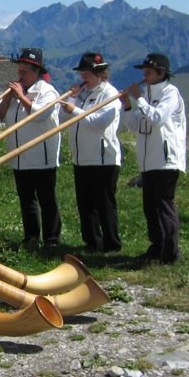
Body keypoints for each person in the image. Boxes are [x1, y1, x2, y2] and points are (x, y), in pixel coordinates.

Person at [121, 52, 187, 265]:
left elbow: (157, 118)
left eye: (148, 72)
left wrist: (138, 97)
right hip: (147, 161)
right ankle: (156, 247)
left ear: (161, 73)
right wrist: (127, 105)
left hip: (165, 160)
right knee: (150, 207)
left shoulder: (170, 93)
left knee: (164, 206)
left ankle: (171, 253)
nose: (144, 75)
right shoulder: (148, 95)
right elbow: (134, 127)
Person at [0, 47, 62, 250]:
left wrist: (22, 97)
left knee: (46, 199)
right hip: (19, 155)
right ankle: (31, 236)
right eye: (19, 71)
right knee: (27, 200)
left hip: (41, 156)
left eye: (25, 72)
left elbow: (39, 115)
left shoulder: (47, 91)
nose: (21, 75)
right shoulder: (16, 92)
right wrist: (8, 97)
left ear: (36, 72)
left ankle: (52, 238)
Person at [60, 52, 122, 252]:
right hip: (81, 157)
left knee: (104, 204)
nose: (82, 77)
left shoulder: (110, 94)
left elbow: (99, 123)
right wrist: (72, 99)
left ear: (99, 73)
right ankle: (92, 242)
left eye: (86, 73)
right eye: (82, 73)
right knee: (85, 205)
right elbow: (63, 119)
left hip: (103, 158)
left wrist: (75, 111)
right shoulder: (83, 95)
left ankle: (111, 243)